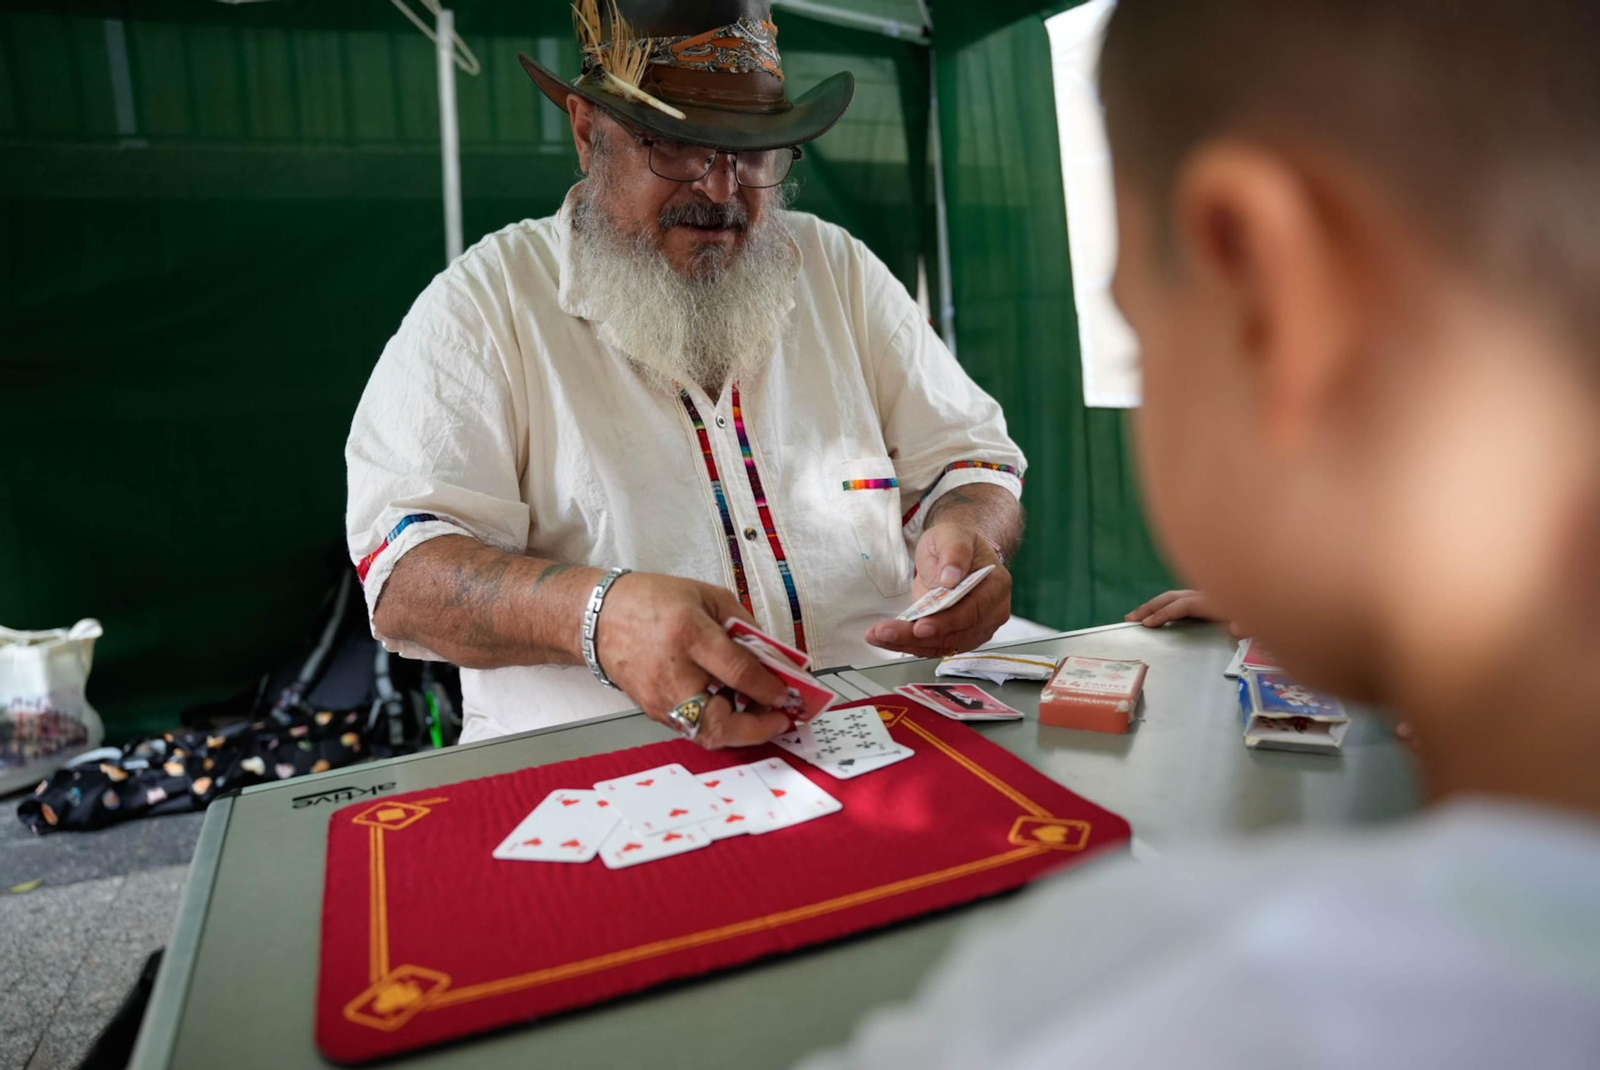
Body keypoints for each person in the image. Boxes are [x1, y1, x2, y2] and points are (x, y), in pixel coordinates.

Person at [802, 0, 1600, 1065]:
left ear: (1270, 292)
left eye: (1138, 325)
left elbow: (970, 459)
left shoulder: (1130, 1005)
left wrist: (964, 525)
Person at [345, 0, 1025, 747]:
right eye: (676, 145)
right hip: (601, 778)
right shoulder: (485, 304)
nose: (722, 188)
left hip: (875, 744)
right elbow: (406, 576)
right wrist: (600, 617)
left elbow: (971, 459)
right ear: (585, 132)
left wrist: (967, 535)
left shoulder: (837, 272)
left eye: (754, 151)